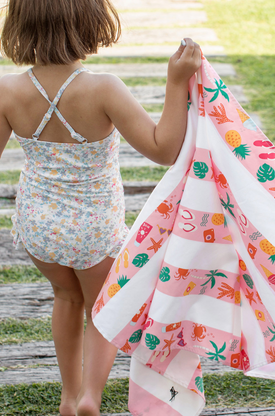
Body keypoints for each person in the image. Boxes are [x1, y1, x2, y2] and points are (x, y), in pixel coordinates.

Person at [0, 0, 201, 415]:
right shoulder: (103, 88)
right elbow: (164, 148)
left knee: (65, 297)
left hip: (39, 226)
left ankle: (68, 397)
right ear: (91, 23)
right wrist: (175, 81)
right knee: (103, 307)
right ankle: (91, 396)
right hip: (95, 228)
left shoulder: (7, 90)